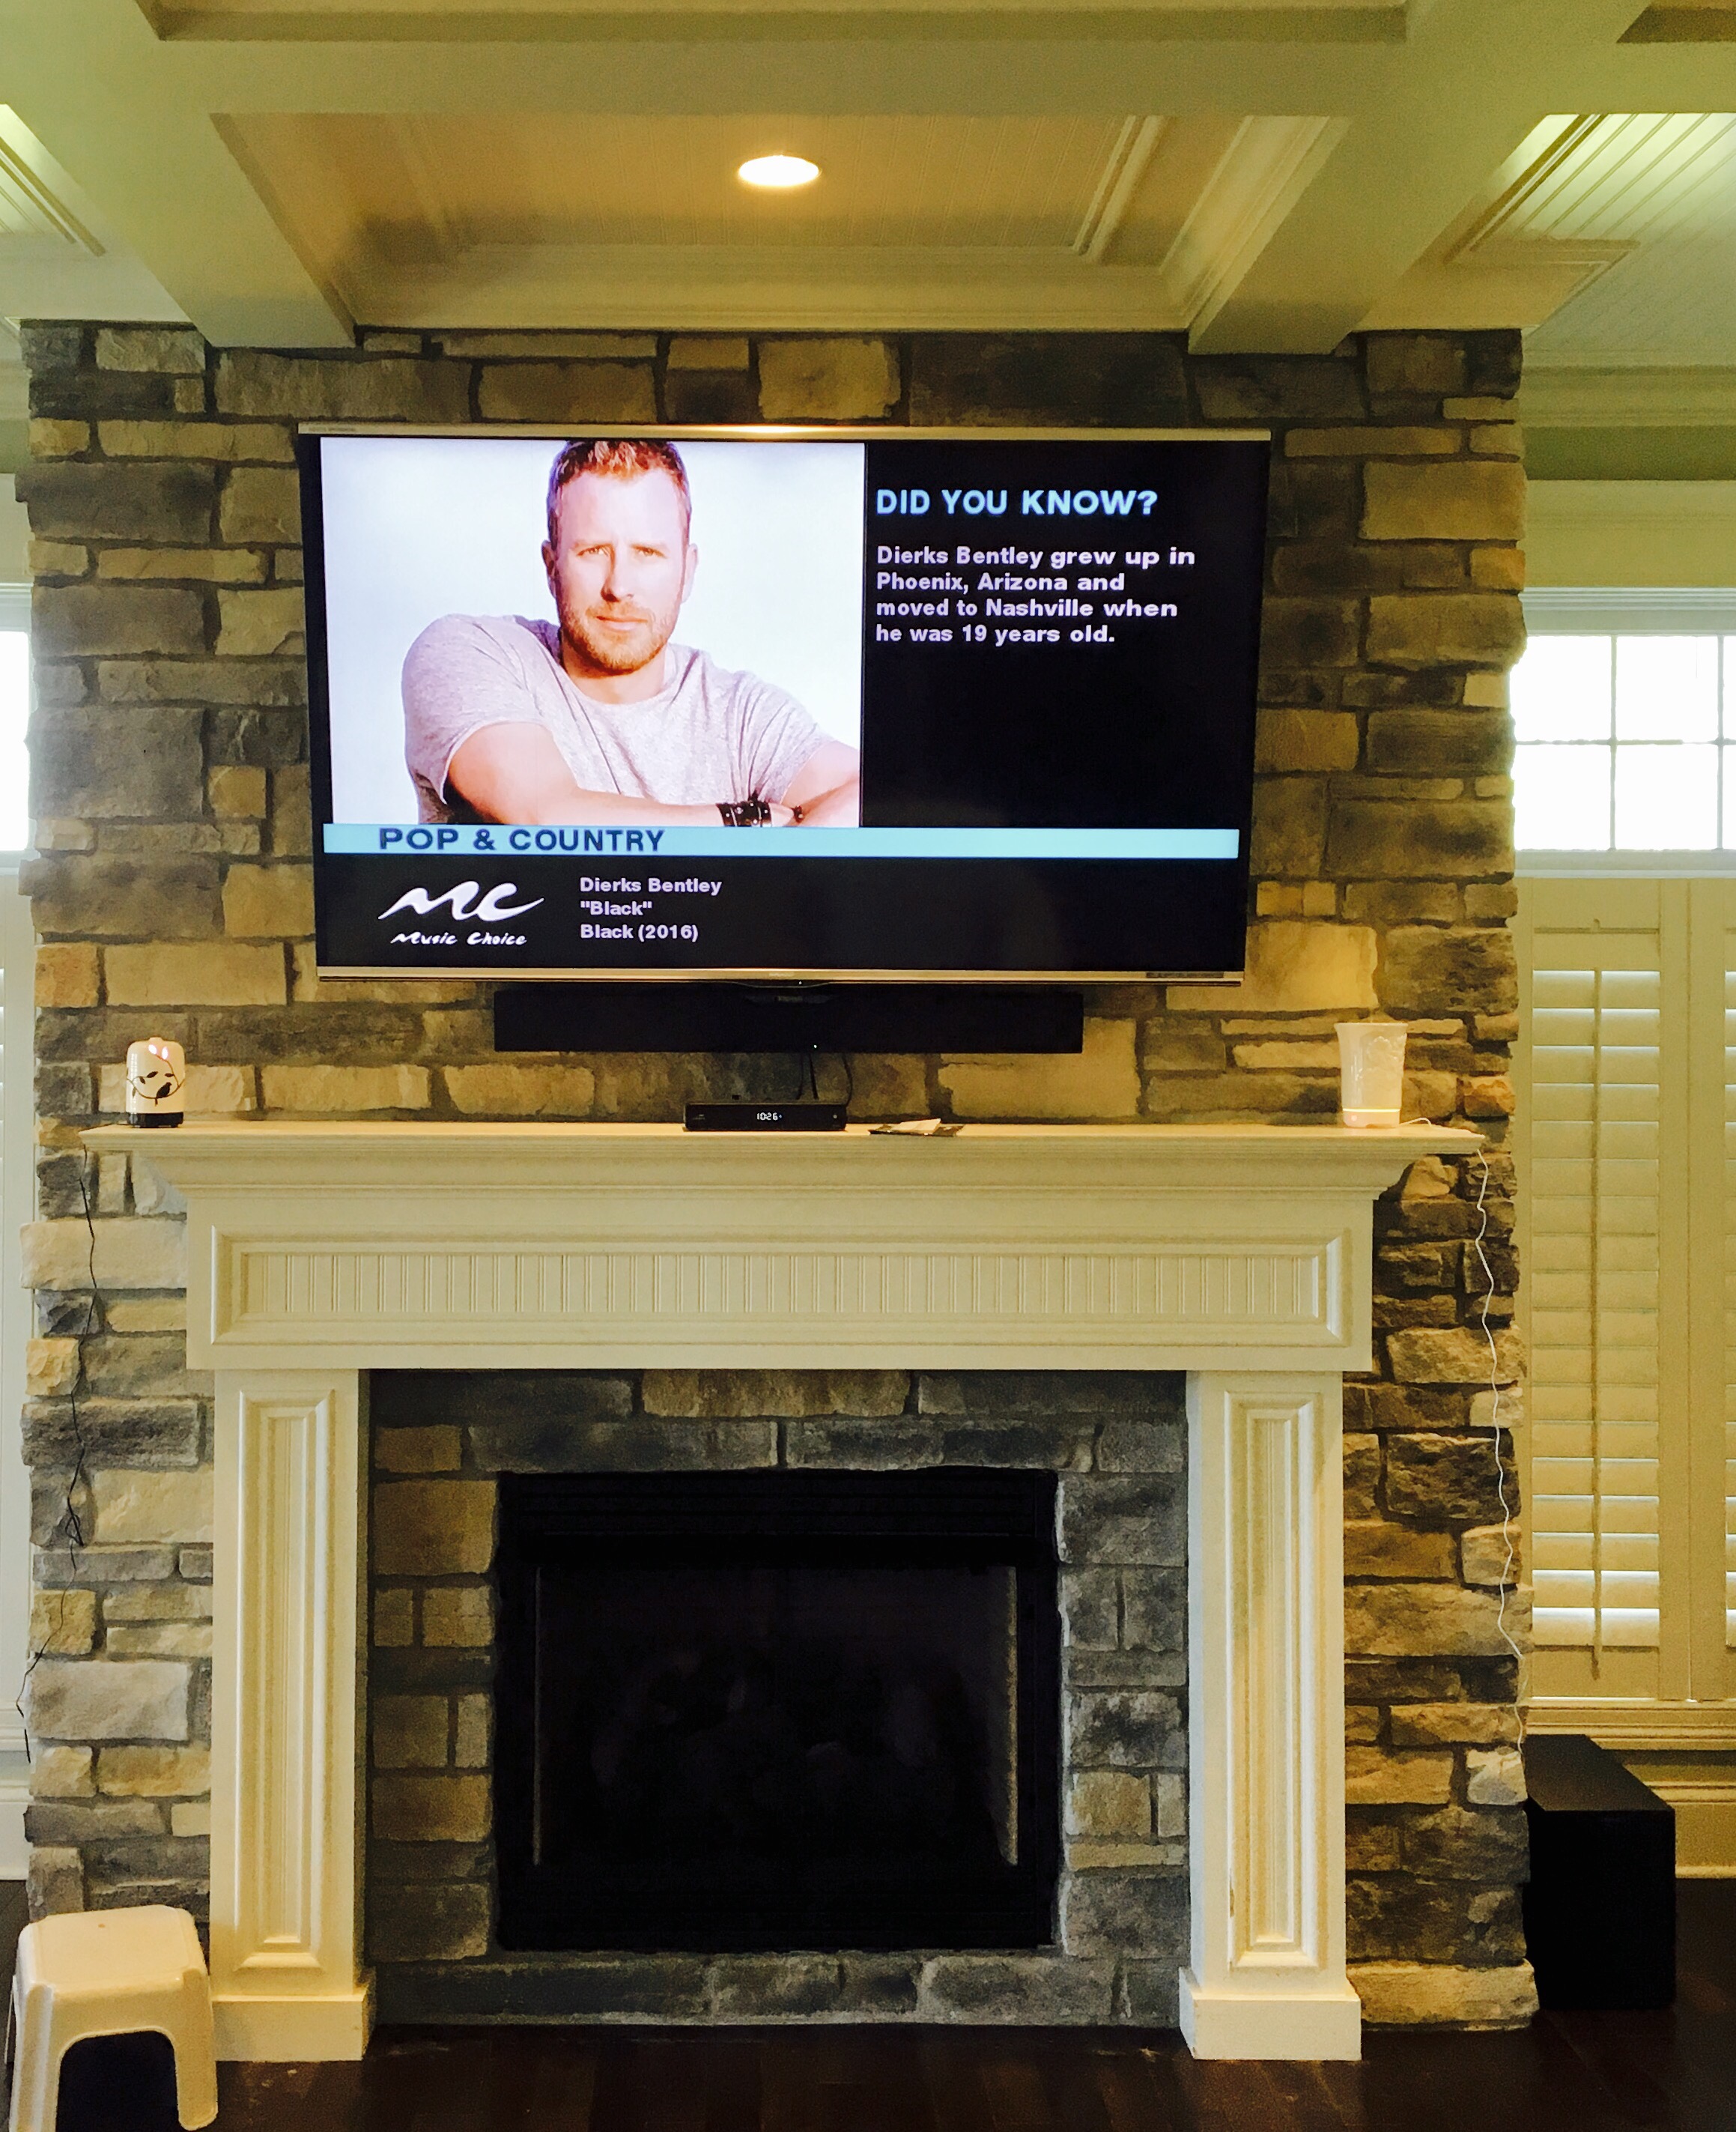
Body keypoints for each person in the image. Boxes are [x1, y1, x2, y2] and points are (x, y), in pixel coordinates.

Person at [402, 438, 861, 828]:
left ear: (688, 572)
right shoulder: (467, 653)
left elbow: (880, 793)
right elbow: (547, 813)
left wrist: (785, 860)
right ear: (551, 567)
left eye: (647, 552)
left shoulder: (739, 713)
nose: (619, 586)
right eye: (594, 550)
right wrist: (745, 821)